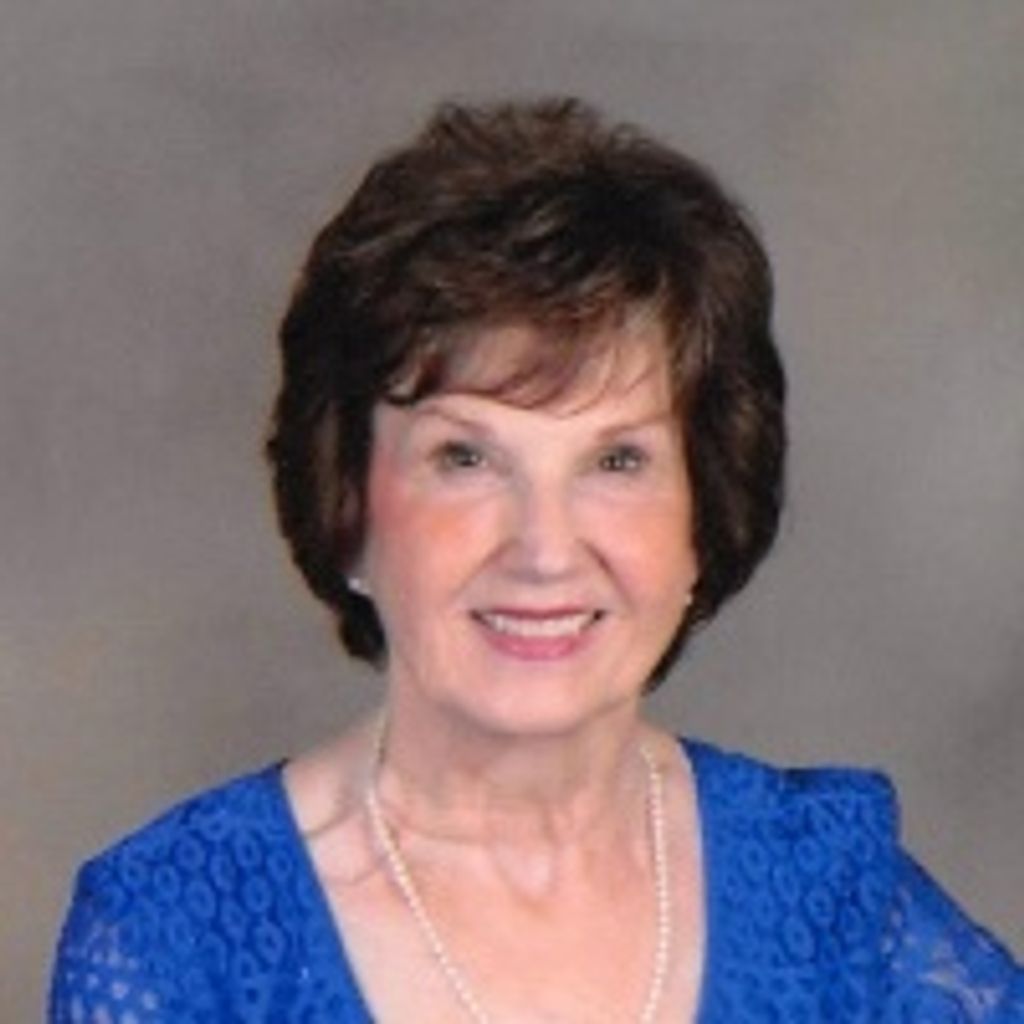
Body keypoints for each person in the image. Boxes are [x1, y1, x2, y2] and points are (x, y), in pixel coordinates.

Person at [50, 97, 1022, 1023]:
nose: (545, 549)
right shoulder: (177, 938)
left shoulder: (829, 896)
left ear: (703, 515)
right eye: (464, 460)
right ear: (347, 504)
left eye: (617, 461)